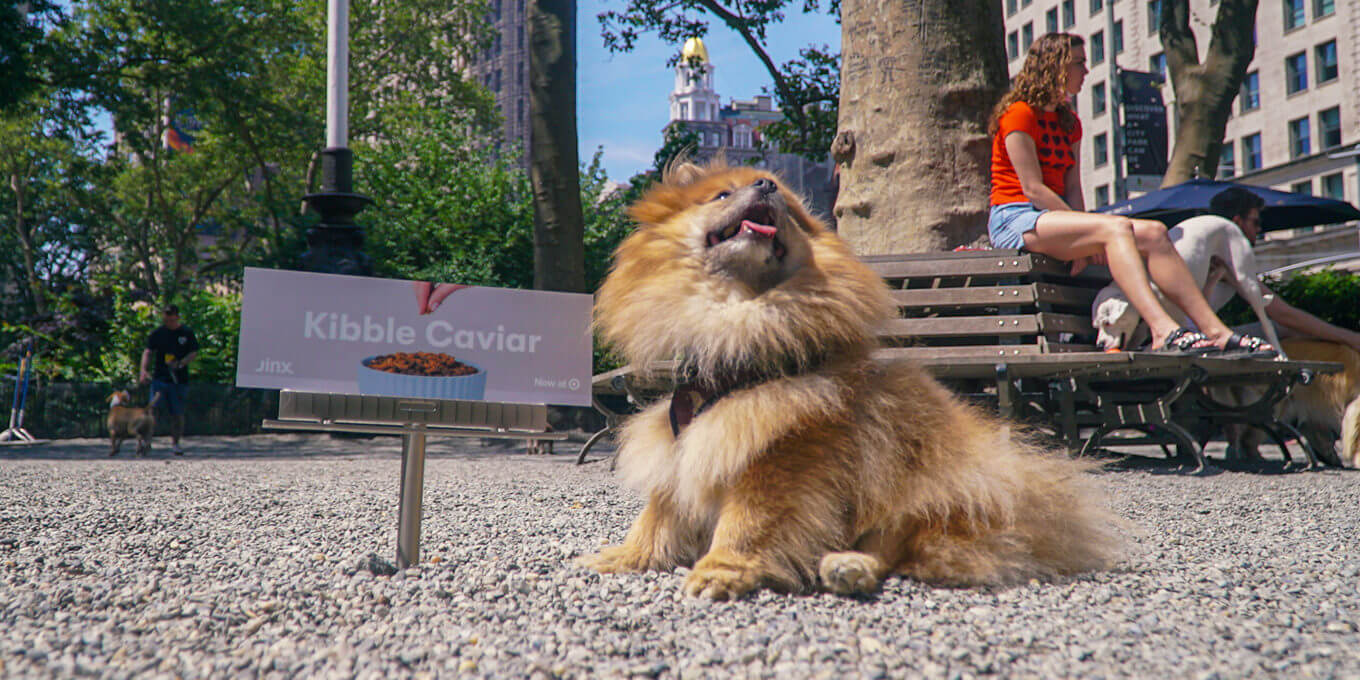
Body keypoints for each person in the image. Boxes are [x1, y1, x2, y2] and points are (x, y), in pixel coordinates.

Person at [987, 32, 1275, 356]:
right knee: (1117, 227)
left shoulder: (1071, 123)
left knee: (1154, 233)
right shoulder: (1019, 113)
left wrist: (1087, 230)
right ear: (1055, 65)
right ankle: (1163, 330)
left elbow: (1072, 189)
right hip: (1016, 216)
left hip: (1055, 218)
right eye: (1079, 63)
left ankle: (1216, 332)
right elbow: (1032, 188)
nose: (1086, 71)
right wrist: (1089, 228)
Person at [1189, 187, 1360, 353]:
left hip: (1197, 335)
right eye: (1255, 222)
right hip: (1197, 339)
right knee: (1286, 329)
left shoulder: (1211, 253)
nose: (1259, 229)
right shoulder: (1224, 260)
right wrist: (1350, 338)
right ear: (1237, 222)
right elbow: (1283, 314)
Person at [139, 304, 199, 455]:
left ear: (177, 317)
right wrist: (143, 370)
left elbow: (194, 352)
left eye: (172, 320)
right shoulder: (158, 333)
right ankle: (147, 442)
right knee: (152, 410)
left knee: (177, 414)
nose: (169, 323)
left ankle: (176, 444)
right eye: (166, 320)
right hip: (160, 378)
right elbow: (148, 352)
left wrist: (181, 363)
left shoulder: (187, 333)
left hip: (179, 380)